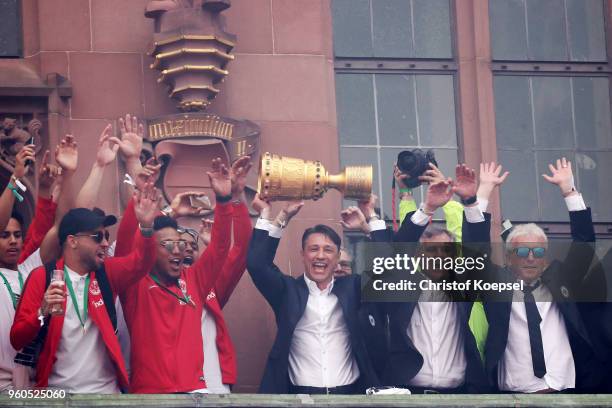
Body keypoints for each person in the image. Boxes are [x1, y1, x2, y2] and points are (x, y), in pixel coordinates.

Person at [467, 157, 604, 393]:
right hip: (513, 396)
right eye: (522, 251)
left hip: (565, 394)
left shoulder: (561, 280)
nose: (530, 258)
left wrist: (569, 191)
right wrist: (482, 193)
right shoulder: (498, 285)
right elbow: (474, 254)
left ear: (545, 257)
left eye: (538, 251)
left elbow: (584, 245)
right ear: (509, 257)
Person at [9, 183, 159, 393]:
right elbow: (17, 339)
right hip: (58, 395)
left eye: (106, 236)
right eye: (97, 237)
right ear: (73, 241)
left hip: (106, 394)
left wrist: (146, 227)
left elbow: (142, 261)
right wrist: (41, 313)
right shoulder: (41, 277)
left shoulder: (107, 273)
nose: (106, 243)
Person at [115, 157, 235, 393]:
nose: (178, 250)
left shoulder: (194, 280)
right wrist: (140, 198)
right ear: (150, 249)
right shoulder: (135, 284)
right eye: (168, 245)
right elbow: (126, 249)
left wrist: (223, 200)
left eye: (180, 243)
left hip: (195, 393)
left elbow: (220, 247)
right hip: (150, 394)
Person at [246, 196, 380, 394]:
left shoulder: (353, 288)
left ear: (336, 259)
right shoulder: (287, 291)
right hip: (300, 396)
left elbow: (390, 270)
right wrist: (280, 216)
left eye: (328, 250)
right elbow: (257, 264)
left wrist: (368, 223)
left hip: (349, 395)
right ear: (303, 255)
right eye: (313, 249)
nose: (320, 255)